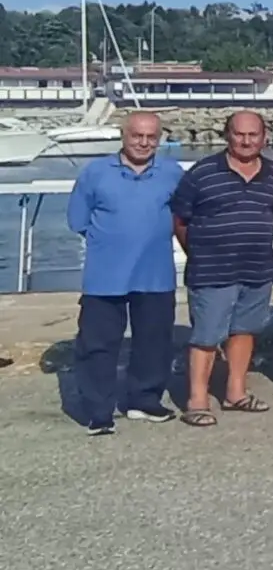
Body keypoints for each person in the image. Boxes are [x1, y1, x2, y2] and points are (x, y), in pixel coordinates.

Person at [66, 112, 183, 435]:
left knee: (154, 342)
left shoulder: (172, 173)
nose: (144, 143)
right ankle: (98, 411)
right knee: (98, 346)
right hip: (106, 276)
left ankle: (144, 400)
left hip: (155, 273)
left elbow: (185, 213)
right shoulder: (96, 173)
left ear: (159, 139)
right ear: (124, 135)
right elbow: (78, 219)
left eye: (151, 137)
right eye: (137, 136)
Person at [171, 110, 273, 428]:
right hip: (211, 270)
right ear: (227, 135)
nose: (246, 141)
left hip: (257, 267)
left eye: (253, 135)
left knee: (244, 331)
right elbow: (180, 219)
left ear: (264, 138)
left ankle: (236, 393)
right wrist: (200, 252)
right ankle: (197, 400)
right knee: (206, 336)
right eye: (239, 134)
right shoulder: (202, 173)